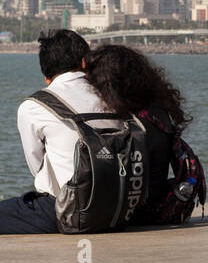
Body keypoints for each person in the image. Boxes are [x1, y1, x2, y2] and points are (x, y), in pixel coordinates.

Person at [0, 30, 112, 239]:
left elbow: (37, 167)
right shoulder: (113, 94)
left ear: (46, 77)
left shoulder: (35, 106)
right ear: (84, 63)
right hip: (118, 208)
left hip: (68, 211)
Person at [83, 43, 200, 224]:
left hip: (129, 215)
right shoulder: (158, 112)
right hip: (156, 207)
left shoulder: (124, 123)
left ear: (108, 83)